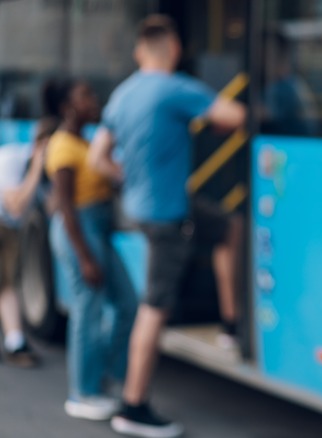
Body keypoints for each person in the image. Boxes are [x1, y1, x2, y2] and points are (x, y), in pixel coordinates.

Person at [88, 14, 246, 438]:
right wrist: (208, 120)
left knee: (224, 227)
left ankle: (230, 324)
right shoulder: (176, 88)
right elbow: (234, 114)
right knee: (153, 309)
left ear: (141, 50)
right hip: (167, 217)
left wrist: (127, 176)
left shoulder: (122, 95)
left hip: (142, 208)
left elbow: (97, 157)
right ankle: (133, 406)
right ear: (173, 49)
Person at [42, 78, 139, 421]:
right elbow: (65, 207)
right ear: (68, 107)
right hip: (78, 231)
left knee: (128, 302)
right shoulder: (63, 146)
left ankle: (106, 375)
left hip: (97, 229)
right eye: (85, 95)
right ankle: (82, 392)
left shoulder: (86, 141)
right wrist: (84, 256)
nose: (93, 99)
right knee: (88, 308)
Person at [0, 117, 57, 368]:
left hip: (9, 229)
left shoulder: (48, 174)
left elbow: (53, 208)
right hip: (5, 222)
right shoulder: (11, 159)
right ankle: (15, 340)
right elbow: (15, 206)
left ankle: (15, 341)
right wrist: (37, 166)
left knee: (6, 282)